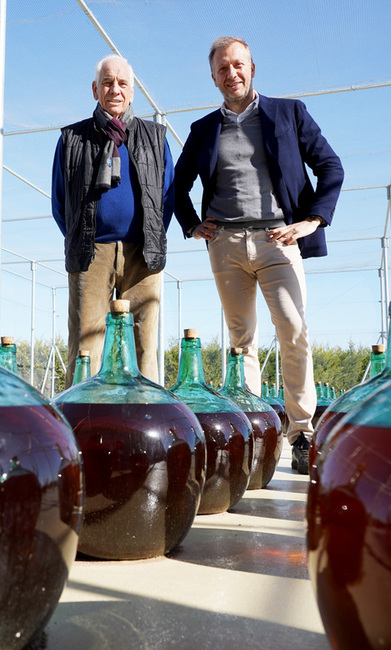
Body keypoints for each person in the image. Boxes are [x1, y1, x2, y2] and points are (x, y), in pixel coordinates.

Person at [174, 36, 344, 473]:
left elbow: (330, 166)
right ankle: (249, 433)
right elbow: (177, 186)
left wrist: (313, 220)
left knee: (293, 329)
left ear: (252, 68)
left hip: (277, 240)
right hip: (225, 243)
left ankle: (302, 433)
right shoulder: (203, 130)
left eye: (239, 65)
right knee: (240, 339)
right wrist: (193, 224)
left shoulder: (288, 113)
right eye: (223, 69)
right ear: (213, 78)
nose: (232, 74)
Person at [52, 54, 174, 387]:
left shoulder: (155, 137)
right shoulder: (71, 140)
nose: (115, 89)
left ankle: (144, 421)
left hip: (143, 255)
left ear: (132, 91)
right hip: (90, 254)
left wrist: (150, 234)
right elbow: (61, 203)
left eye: (122, 83)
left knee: (143, 346)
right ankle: (82, 427)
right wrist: (83, 237)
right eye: (107, 82)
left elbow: (167, 196)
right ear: (95, 89)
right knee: (85, 345)